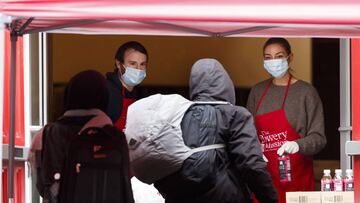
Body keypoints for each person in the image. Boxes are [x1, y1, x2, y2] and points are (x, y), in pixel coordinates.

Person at [152, 58, 278, 203]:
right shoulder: (234, 115)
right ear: (225, 82)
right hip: (226, 197)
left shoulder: (179, 115)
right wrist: (270, 199)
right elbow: (251, 165)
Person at [28, 70, 134, 203]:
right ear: (104, 98)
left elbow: (40, 185)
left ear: (69, 95)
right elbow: (125, 185)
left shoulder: (44, 136)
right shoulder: (115, 137)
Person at [246, 38, 327, 203]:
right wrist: (254, 151)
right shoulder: (257, 92)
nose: (273, 61)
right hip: (263, 181)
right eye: (268, 57)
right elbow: (246, 133)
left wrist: (297, 145)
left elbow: (319, 138)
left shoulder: (306, 92)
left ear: (290, 57)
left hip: (297, 183)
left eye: (279, 56)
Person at [106, 41, 148, 131]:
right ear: (118, 64)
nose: (138, 69)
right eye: (133, 64)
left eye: (142, 64)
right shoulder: (106, 92)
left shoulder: (140, 95)